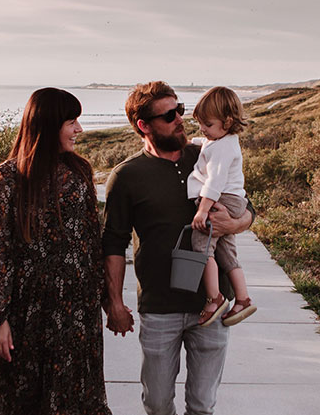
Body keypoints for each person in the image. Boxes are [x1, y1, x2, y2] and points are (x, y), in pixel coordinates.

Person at [102, 81, 255, 415]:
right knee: (157, 404)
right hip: (159, 307)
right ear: (144, 126)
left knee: (202, 405)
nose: (180, 119)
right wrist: (114, 302)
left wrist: (235, 224)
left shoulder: (207, 153)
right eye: (169, 115)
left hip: (211, 307)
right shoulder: (127, 175)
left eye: (180, 109)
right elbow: (113, 243)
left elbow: (247, 208)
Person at [0, 87, 111, 415]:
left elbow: (92, 242)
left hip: (76, 311)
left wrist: (108, 300)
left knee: (75, 397)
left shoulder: (80, 173)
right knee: (23, 396)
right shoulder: (7, 178)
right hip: (27, 310)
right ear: (49, 125)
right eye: (71, 122)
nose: (79, 129)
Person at [188, 86, 257, 327]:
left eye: (207, 124)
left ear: (227, 122)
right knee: (227, 253)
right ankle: (243, 298)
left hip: (222, 199)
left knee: (201, 245)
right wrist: (193, 141)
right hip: (234, 200)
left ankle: (214, 298)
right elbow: (206, 145)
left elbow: (214, 181)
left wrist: (203, 210)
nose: (203, 130)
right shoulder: (221, 140)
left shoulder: (222, 148)